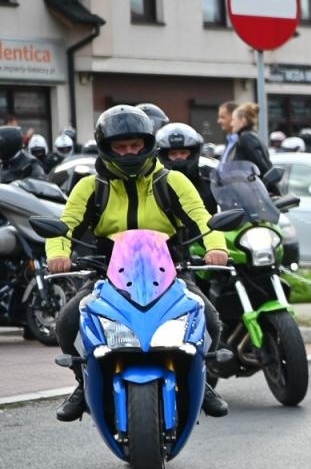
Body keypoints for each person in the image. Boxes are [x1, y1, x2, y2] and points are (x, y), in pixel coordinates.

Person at [47, 106, 231, 421]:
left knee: (209, 318)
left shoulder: (171, 181)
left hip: (169, 268)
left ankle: (201, 381)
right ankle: (83, 382)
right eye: (120, 147)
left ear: (148, 144)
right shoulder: (90, 186)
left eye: (136, 145)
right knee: (67, 322)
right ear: (106, 148)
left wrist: (216, 246)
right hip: (107, 272)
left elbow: (203, 218)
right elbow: (65, 226)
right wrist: (57, 254)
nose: (129, 152)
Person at [155, 122, 215, 213]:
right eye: (173, 154)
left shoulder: (209, 177)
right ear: (164, 156)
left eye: (183, 153)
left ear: (193, 153)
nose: (179, 158)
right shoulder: (154, 181)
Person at [221, 102, 273, 182]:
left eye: (234, 120)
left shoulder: (246, 139)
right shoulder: (246, 138)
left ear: (243, 120)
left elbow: (262, 167)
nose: (232, 124)